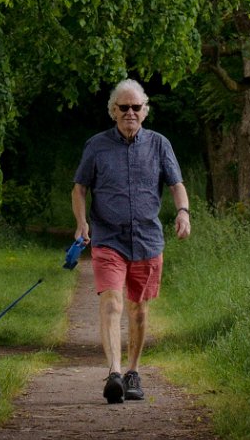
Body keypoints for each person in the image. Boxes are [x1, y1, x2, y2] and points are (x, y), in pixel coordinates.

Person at [71, 79, 191, 403]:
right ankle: (114, 373)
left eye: (136, 107)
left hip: (148, 240)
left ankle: (133, 371)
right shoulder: (96, 146)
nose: (130, 113)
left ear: (145, 110)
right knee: (112, 302)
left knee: (139, 310)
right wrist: (82, 223)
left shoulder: (159, 145)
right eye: (123, 107)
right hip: (108, 238)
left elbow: (176, 184)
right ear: (112, 111)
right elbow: (79, 188)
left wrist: (183, 212)